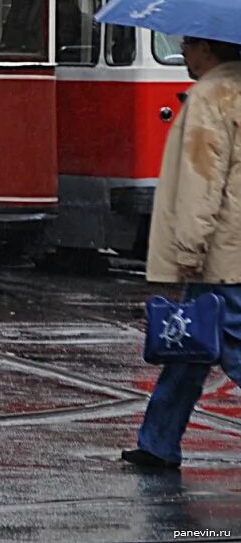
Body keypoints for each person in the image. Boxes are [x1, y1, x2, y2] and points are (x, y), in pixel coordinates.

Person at [123, 36, 241, 470]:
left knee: (232, 345)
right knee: (189, 345)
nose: (184, 53)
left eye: (189, 45)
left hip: (223, 252)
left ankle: (158, 441)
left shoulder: (212, 96)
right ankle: (158, 441)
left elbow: (201, 180)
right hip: (232, 246)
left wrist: (189, 247)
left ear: (209, 49)